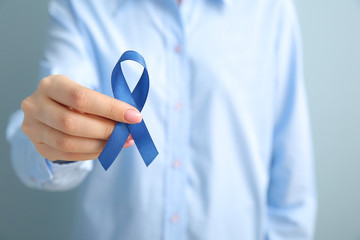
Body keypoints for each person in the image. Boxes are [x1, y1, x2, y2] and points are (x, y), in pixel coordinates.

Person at [6, 0, 317, 239]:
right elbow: (39, 140)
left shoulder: (271, 10)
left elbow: (292, 174)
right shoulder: (84, 6)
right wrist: (54, 140)